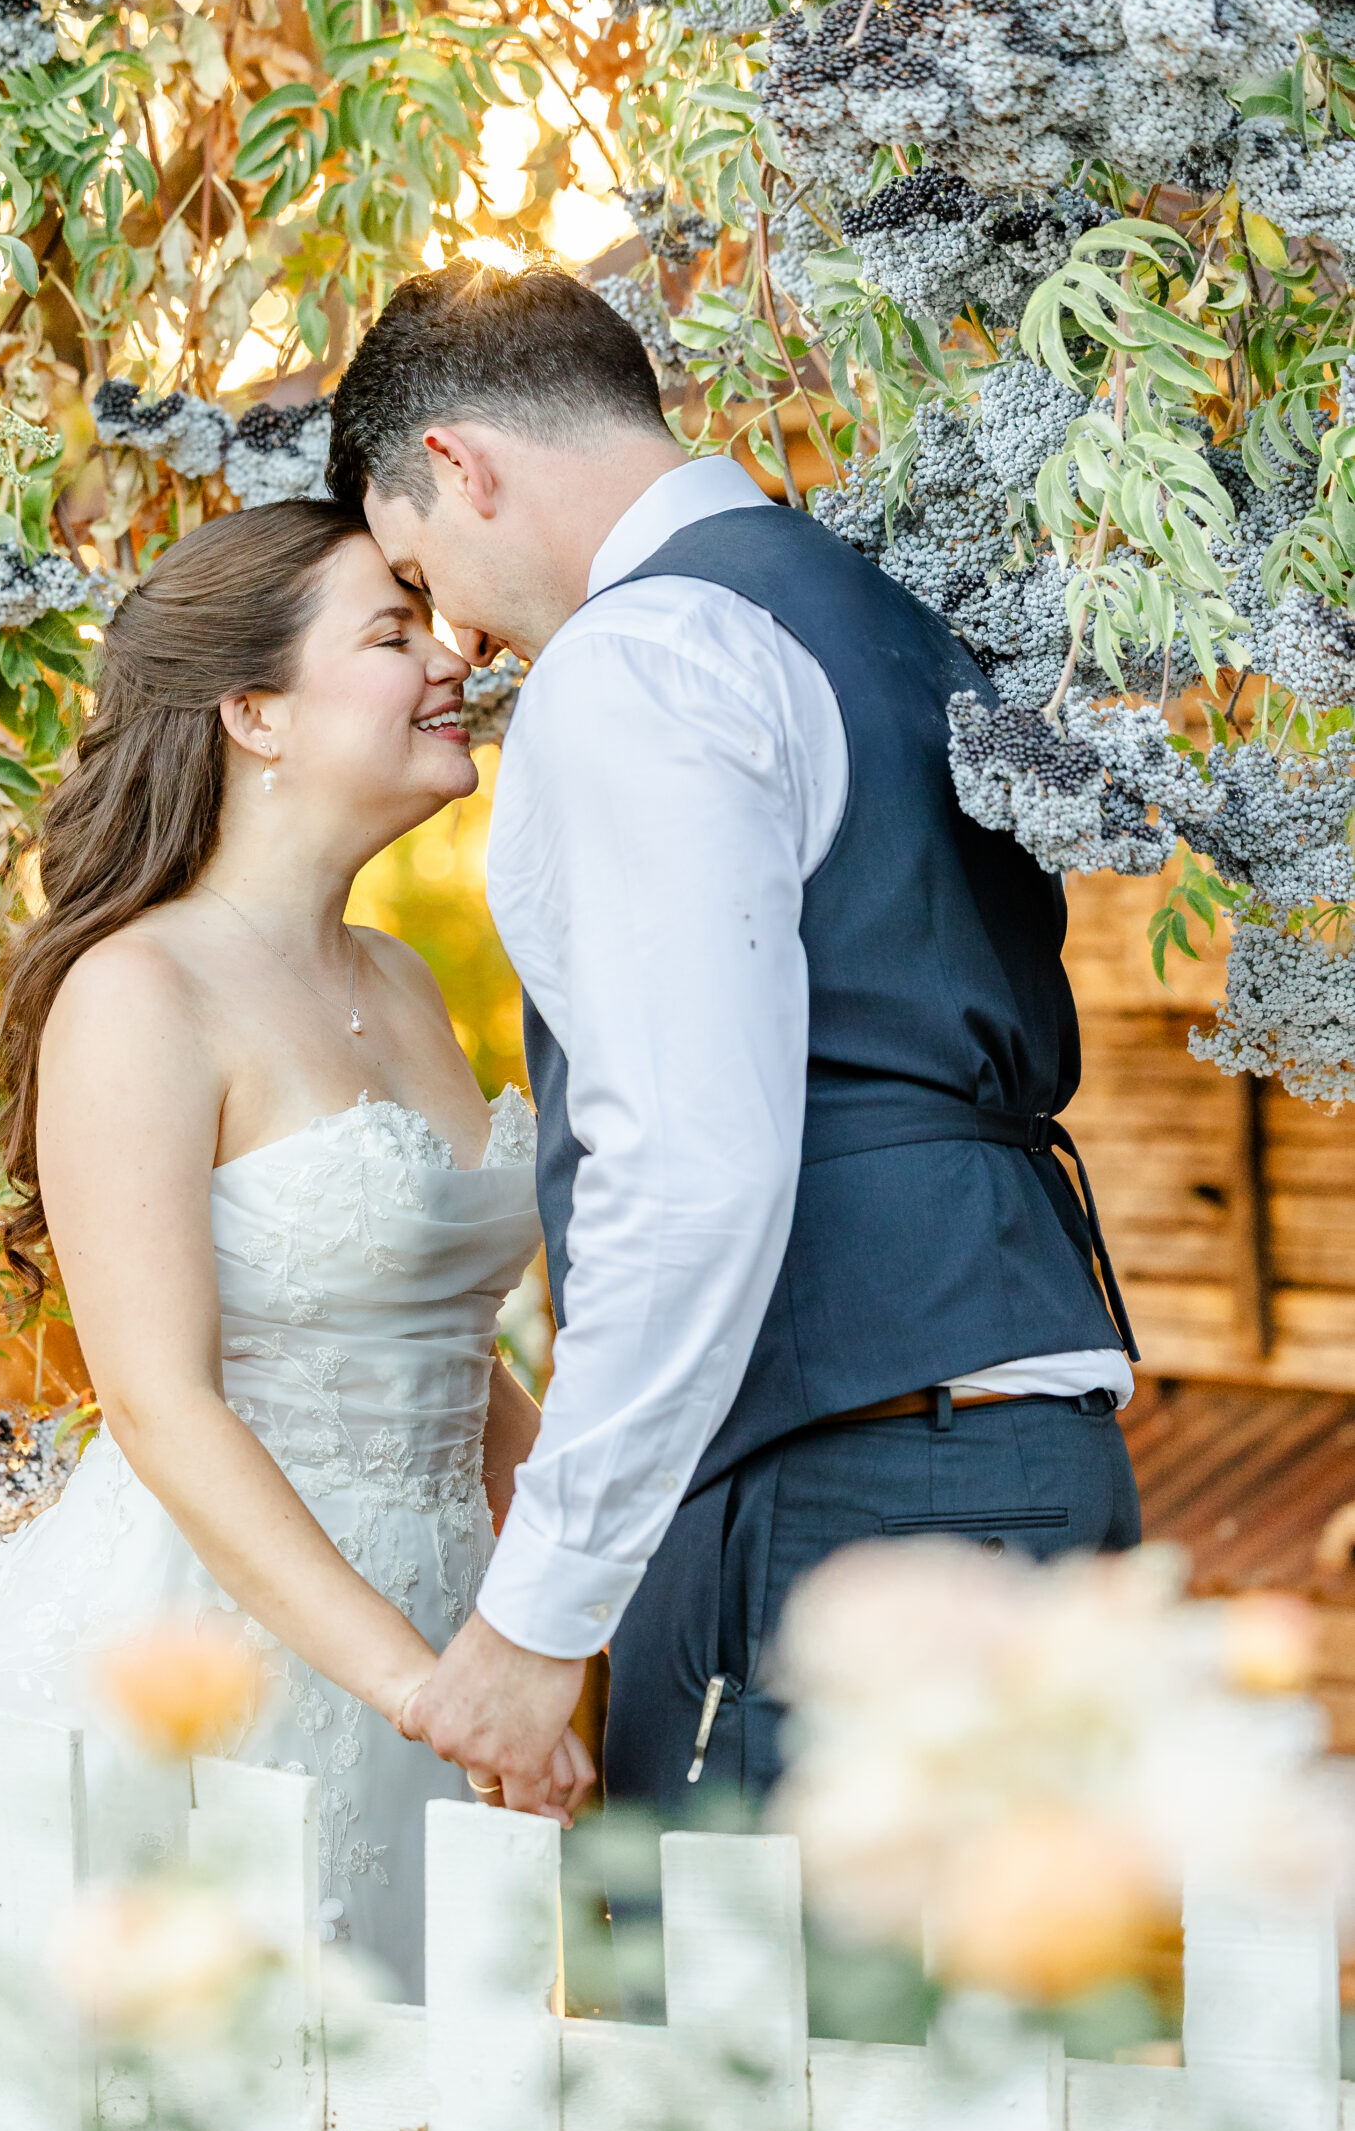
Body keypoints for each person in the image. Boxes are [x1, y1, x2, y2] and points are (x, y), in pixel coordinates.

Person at [327, 257, 1143, 1820]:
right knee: (1013, 2052)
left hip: (841, 1491)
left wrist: (536, 1617)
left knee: (754, 2048)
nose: (462, 643)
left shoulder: (640, 661)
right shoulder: (865, 614)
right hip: (1021, 1457)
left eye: (420, 575)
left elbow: (689, 1169)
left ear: (459, 465)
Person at [0, 500, 594, 2033]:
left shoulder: (396, 977)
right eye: (391, 637)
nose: (448, 661)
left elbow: (440, 1359)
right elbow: (159, 1404)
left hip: (447, 1613)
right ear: (254, 710)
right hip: (233, 1638)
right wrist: (412, 1686)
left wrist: (572, 1572)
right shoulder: (136, 993)